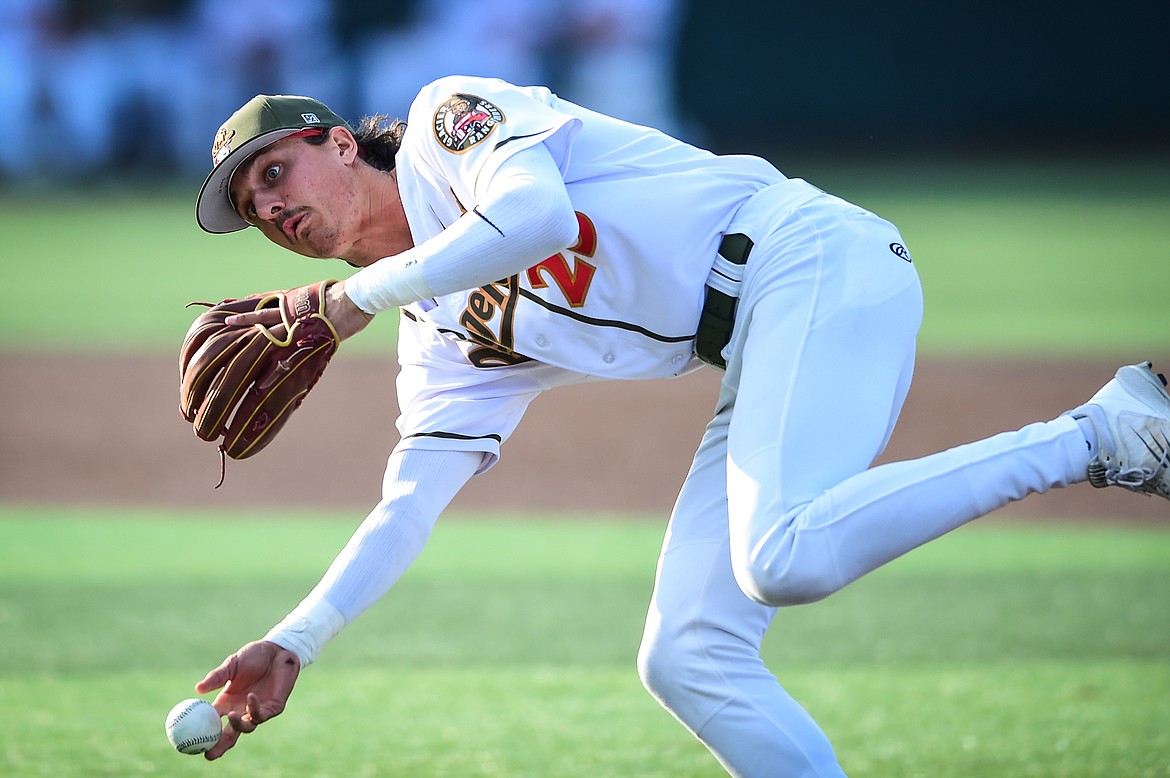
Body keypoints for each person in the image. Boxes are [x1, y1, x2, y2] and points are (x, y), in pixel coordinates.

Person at [190, 77, 1170, 776]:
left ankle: (1099, 434)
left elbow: (535, 220)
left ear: (336, 143)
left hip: (810, 257)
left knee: (781, 557)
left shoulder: (451, 126)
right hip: (754, 344)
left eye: (273, 173)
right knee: (688, 656)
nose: (271, 207)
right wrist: (299, 638)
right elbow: (411, 498)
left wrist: (350, 298)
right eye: (250, 205)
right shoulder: (438, 332)